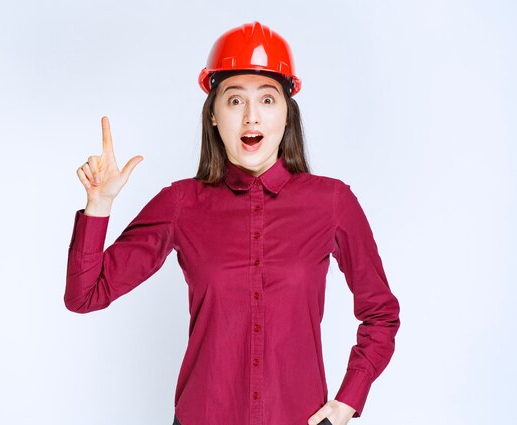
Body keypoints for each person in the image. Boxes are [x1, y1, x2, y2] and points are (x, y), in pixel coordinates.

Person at [65, 21, 400, 425]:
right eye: (235, 100)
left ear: (287, 115)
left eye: (268, 100)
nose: (251, 117)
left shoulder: (332, 202)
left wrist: (349, 398)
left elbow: (380, 313)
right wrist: (98, 207)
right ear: (213, 115)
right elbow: (85, 296)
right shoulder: (181, 203)